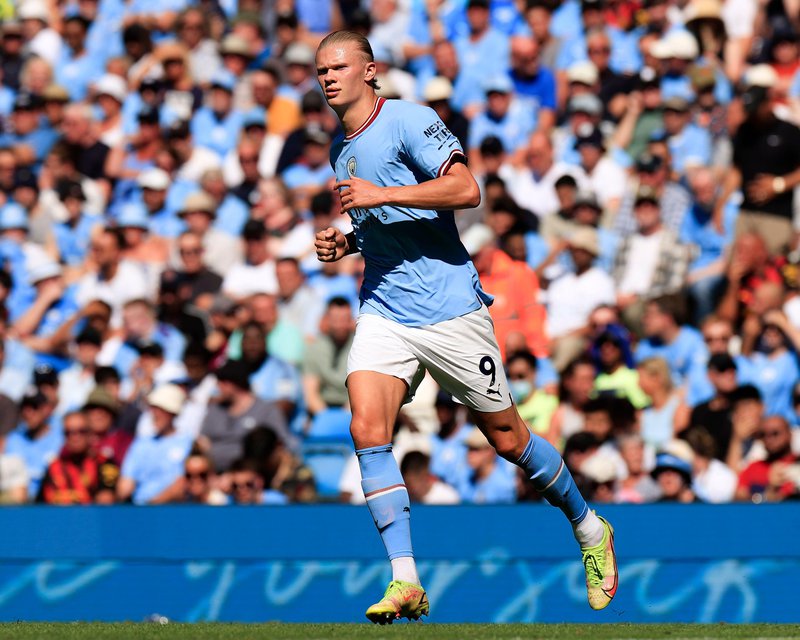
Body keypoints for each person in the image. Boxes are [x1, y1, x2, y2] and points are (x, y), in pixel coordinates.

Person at [313, 31, 617, 622]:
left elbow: (465, 188)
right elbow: (382, 220)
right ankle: (404, 579)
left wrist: (383, 191)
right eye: (321, 70)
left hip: (449, 309)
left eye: (339, 67)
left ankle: (588, 526)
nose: (328, 78)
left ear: (369, 70)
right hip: (385, 307)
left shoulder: (407, 120)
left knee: (508, 440)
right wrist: (346, 238)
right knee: (365, 425)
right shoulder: (338, 148)